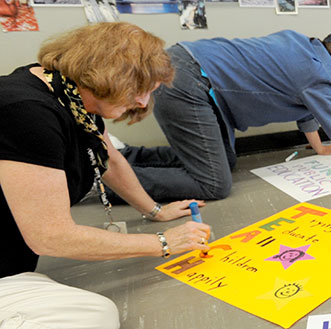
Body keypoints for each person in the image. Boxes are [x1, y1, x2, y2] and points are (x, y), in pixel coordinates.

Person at [0, 22, 212, 328]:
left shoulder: (67, 91)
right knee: (96, 314)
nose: (142, 103)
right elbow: (50, 237)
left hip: (16, 259)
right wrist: (162, 243)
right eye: (139, 91)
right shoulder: (28, 113)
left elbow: (108, 158)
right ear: (109, 76)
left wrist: (155, 210)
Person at [118, 31, 331, 201]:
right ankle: (105, 180)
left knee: (224, 162)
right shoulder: (318, 72)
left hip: (192, 71)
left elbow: (307, 113)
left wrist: (317, 147)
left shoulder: (305, 51)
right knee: (215, 184)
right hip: (187, 80)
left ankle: (125, 157)